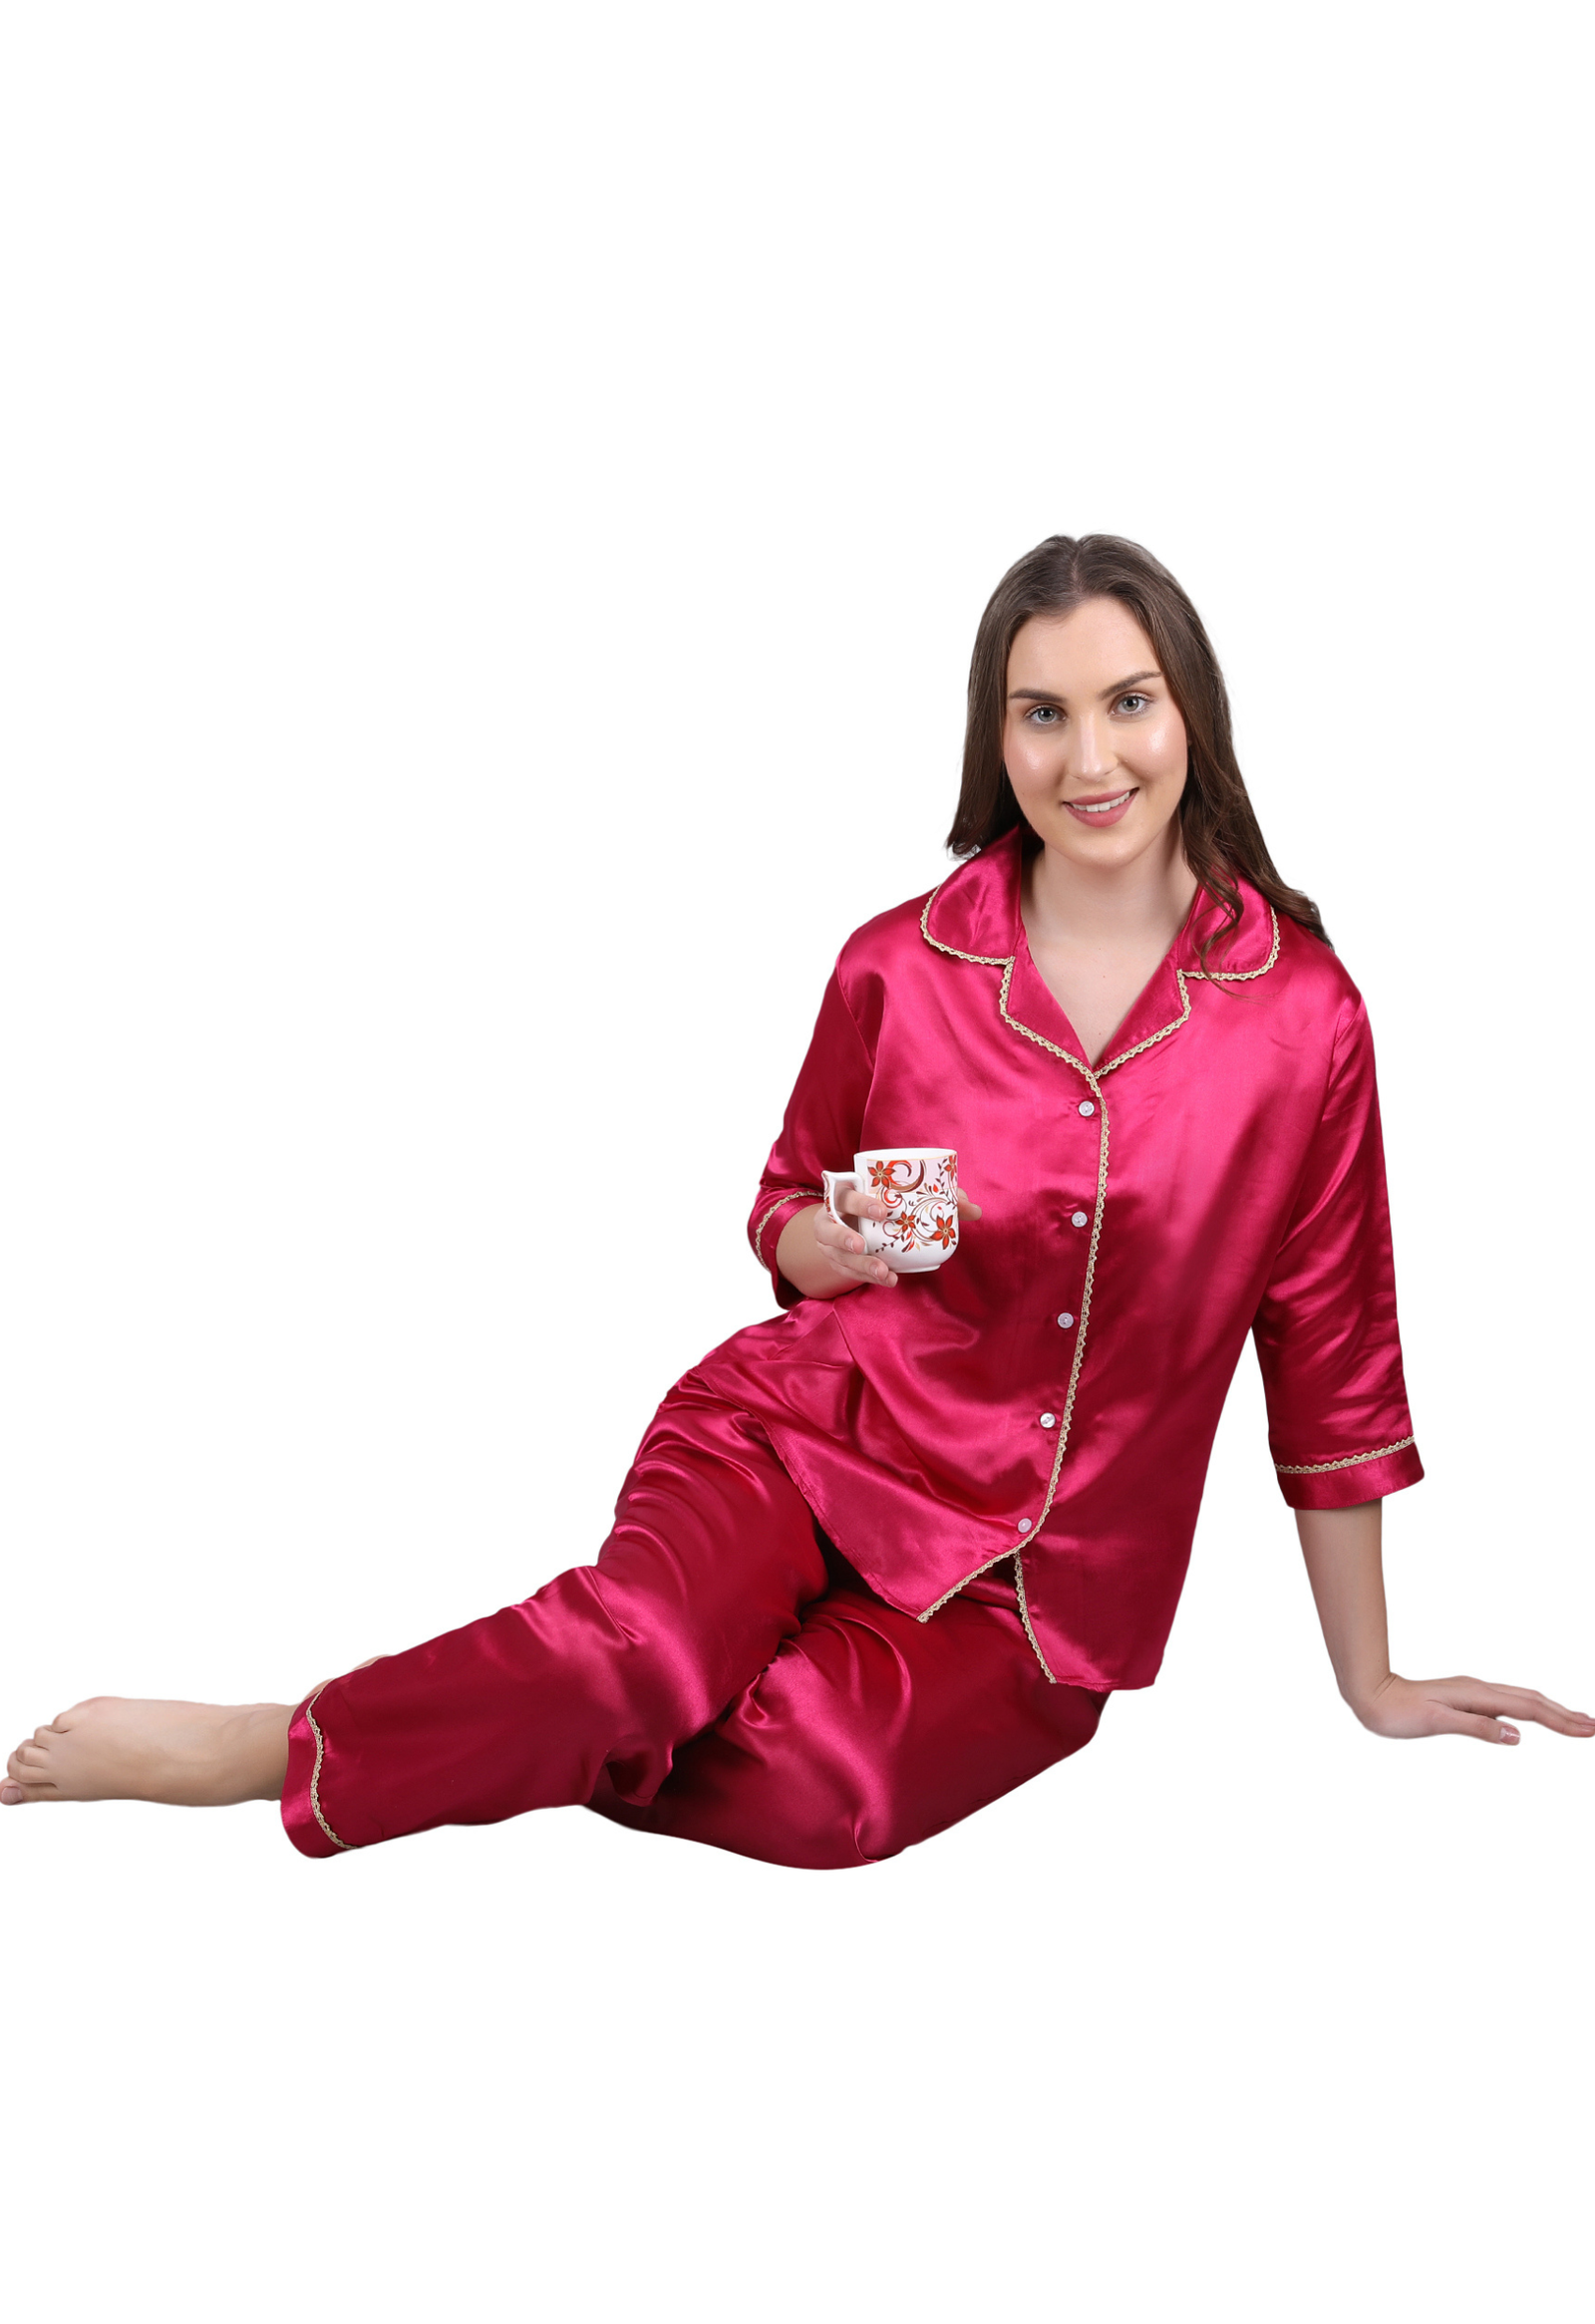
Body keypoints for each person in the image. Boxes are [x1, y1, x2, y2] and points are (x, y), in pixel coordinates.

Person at [5, 533, 1590, 1860]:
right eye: (1042, 715)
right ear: (996, 738)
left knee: (830, 1797)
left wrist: (1369, 1677)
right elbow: (783, 1204)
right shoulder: (897, 965)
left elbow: (1331, 1353)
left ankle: (527, 1713)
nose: (1090, 760)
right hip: (805, 1437)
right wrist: (817, 1241)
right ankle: (272, 1743)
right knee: (641, 1653)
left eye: (1128, 703)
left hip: (1044, 1584)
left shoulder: (1304, 1018)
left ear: (1194, 714)